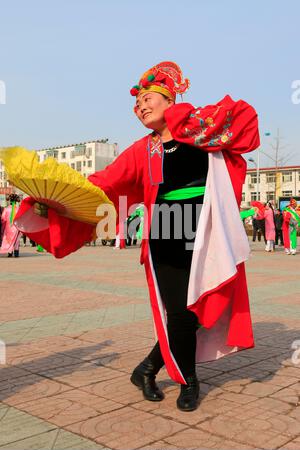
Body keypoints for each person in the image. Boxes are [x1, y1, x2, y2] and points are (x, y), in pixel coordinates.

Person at [14, 61, 259, 411]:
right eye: (137, 103)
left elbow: (246, 121)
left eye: (147, 98)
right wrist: (52, 201)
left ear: (169, 99)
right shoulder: (145, 149)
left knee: (197, 310)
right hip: (167, 230)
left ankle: (146, 369)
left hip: (207, 230)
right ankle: (188, 382)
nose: (140, 107)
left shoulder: (203, 132)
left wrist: (184, 120)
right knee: (179, 311)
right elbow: (100, 184)